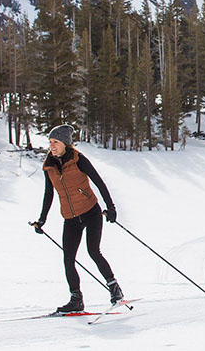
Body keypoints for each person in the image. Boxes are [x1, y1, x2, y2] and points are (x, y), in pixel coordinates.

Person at [31, 124, 124, 312]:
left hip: (91, 212)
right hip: (70, 218)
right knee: (68, 258)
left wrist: (111, 207)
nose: (52, 146)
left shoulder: (78, 159)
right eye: (50, 142)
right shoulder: (49, 166)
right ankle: (76, 299)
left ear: (65, 143)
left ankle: (115, 288)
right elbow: (48, 194)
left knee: (93, 252)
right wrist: (42, 220)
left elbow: (99, 182)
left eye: (55, 142)